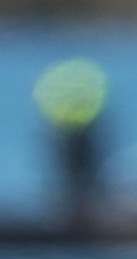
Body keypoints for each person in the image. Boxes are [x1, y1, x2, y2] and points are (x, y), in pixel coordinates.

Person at [33, 60, 109, 225]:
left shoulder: (57, 85)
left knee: (76, 177)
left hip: (69, 133)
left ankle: (76, 211)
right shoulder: (88, 89)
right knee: (80, 176)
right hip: (74, 134)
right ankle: (79, 211)